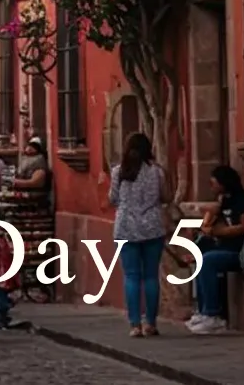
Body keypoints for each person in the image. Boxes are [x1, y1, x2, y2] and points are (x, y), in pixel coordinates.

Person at [188, 165, 244, 335]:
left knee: (208, 261)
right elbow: (213, 221)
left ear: (224, 183)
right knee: (200, 258)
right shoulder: (225, 201)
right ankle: (202, 310)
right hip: (226, 247)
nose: (211, 186)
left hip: (242, 251)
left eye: (214, 183)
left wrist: (218, 232)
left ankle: (213, 315)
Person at [109, 132, 168, 337]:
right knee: (151, 276)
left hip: (126, 226)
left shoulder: (118, 172)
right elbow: (164, 196)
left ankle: (135, 324)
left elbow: (112, 198)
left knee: (132, 276)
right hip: (152, 226)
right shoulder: (157, 172)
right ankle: (151, 323)